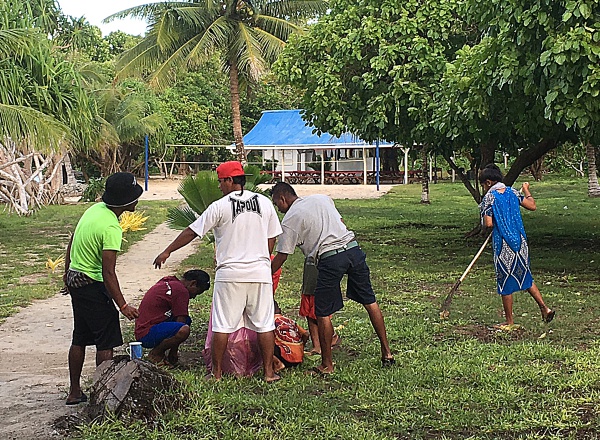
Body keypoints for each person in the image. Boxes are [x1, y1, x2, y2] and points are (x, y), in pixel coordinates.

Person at [153, 161, 283, 383]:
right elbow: (272, 237)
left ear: (230, 180)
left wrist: (167, 251)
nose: (220, 186)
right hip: (260, 274)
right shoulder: (264, 203)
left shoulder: (220, 206)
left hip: (230, 274)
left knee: (223, 324)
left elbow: (192, 231)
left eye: (221, 181)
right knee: (264, 324)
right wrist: (260, 258)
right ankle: (269, 373)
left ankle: (216, 374)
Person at [270, 182, 394, 375]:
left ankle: (326, 365)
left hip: (329, 257)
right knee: (370, 301)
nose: (279, 209)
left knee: (323, 312)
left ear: (282, 199)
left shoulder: (290, 220)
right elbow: (341, 221)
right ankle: (387, 353)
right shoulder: (321, 198)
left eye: (277, 205)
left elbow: (282, 255)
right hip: (353, 249)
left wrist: (265, 273)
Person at [63, 172, 141, 405]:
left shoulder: (94, 210)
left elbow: (72, 239)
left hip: (77, 280)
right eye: (135, 197)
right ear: (126, 202)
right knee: (105, 342)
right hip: (92, 284)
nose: (138, 200)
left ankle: (75, 391)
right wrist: (123, 305)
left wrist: (67, 274)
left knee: (80, 337)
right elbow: (108, 273)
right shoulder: (111, 227)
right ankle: (101, 394)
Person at [479, 163, 555, 327]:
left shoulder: (489, 198)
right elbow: (532, 206)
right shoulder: (513, 192)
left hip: (503, 244)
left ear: (489, 182)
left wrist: (487, 224)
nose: (484, 188)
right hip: (520, 242)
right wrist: (526, 188)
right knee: (525, 275)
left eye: (483, 184)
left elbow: (489, 223)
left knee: (505, 279)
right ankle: (545, 308)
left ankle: (509, 322)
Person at [135, 270, 210, 366]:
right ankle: (156, 353)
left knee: (187, 320)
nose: (194, 297)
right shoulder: (181, 291)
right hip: (147, 334)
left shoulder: (170, 281)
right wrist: (174, 351)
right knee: (184, 329)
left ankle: (160, 352)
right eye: (197, 292)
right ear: (193, 283)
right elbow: (181, 322)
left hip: (143, 328)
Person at [273, 301, 309, 372]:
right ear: (280, 309)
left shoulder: (269, 322)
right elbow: (306, 334)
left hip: (285, 358)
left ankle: (277, 363)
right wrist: (301, 347)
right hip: (299, 359)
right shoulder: (290, 321)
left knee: (263, 342)